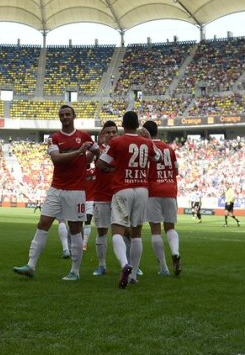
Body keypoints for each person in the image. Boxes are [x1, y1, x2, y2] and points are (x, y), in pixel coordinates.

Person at [12, 105, 94, 281]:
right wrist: (79, 153)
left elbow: (96, 152)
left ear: (74, 116)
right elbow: (56, 159)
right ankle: (31, 265)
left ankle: (75, 271)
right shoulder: (54, 138)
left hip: (76, 190)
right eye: (62, 115)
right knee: (43, 223)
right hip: (56, 188)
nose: (65, 117)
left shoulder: (84, 136)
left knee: (75, 228)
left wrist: (88, 158)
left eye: (67, 114)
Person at [97, 110, 153, 289]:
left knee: (117, 232)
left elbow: (100, 164)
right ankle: (134, 274)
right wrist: (149, 139)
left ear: (123, 124)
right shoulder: (146, 142)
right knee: (136, 233)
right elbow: (157, 158)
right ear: (138, 125)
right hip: (142, 189)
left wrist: (115, 167)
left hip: (123, 189)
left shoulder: (117, 141)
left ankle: (124, 264)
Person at [143, 120, 181, 277]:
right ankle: (175, 252)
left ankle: (164, 267)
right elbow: (176, 171)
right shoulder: (169, 149)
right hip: (170, 190)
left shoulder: (146, 148)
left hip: (153, 191)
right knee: (170, 227)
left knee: (155, 230)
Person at [87, 120, 117, 276]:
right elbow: (86, 161)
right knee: (102, 231)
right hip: (101, 195)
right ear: (102, 134)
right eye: (108, 132)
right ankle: (101, 265)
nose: (111, 135)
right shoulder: (98, 148)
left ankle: (130, 265)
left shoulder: (122, 148)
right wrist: (96, 147)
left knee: (126, 232)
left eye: (114, 132)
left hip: (119, 195)